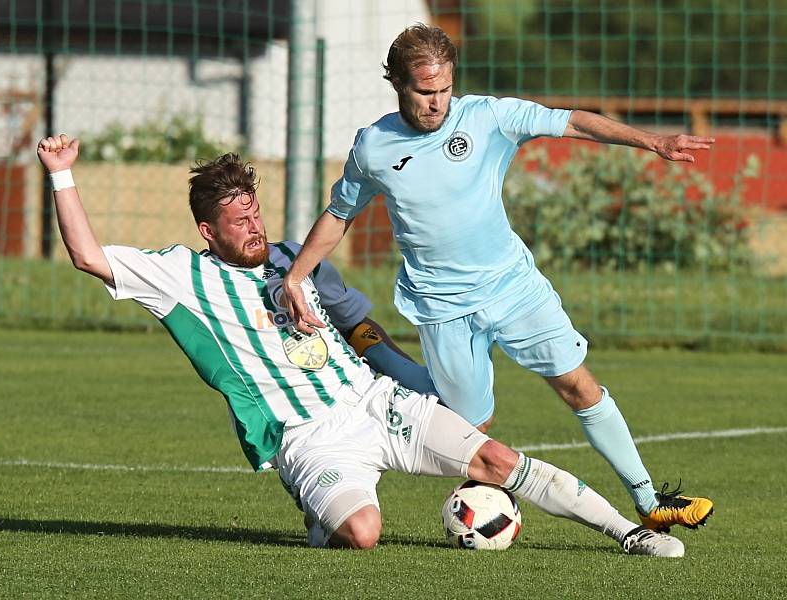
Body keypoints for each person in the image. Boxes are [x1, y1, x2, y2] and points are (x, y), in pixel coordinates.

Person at [37, 134, 686, 556]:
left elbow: (359, 327)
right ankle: (322, 517)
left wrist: (413, 377)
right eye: (239, 221)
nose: (255, 227)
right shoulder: (183, 277)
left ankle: (627, 533)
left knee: (495, 459)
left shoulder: (295, 258)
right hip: (308, 435)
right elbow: (88, 257)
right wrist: (63, 175)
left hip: (374, 400)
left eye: (256, 212)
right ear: (208, 230)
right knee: (364, 536)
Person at [281, 23, 714, 533]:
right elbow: (339, 214)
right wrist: (296, 276)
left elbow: (573, 123)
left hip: (513, 287)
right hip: (442, 305)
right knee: (466, 428)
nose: (437, 103)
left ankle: (649, 499)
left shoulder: (488, 116)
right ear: (398, 83)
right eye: (424, 92)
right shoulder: (373, 147)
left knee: (578, 384)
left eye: (444, 90)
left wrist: (653, 141)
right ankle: (345, 462)